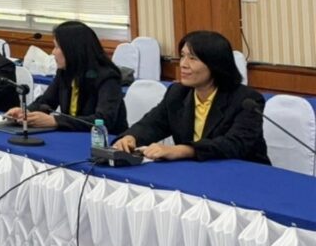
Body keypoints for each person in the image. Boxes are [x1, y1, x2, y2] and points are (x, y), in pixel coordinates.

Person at [112, 30, 269, 163]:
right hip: (195, 171)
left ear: (215, 65)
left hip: (242, 173)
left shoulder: (246, 100)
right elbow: (153, 124)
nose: (183, 64)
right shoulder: (178, 93)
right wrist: (131, 137)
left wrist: (184, 150)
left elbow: (235, 145)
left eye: (192, 58)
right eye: (182, 56)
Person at [7, 20, 127, 134]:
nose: (53, 52)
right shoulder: (65, 72)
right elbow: (46, 102)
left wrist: (56, 121)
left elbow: (104, 120)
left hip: (104, 140)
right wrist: (26, 112)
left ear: (73, 50)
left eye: (57, 47)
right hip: (73, 135)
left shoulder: (108, 77)